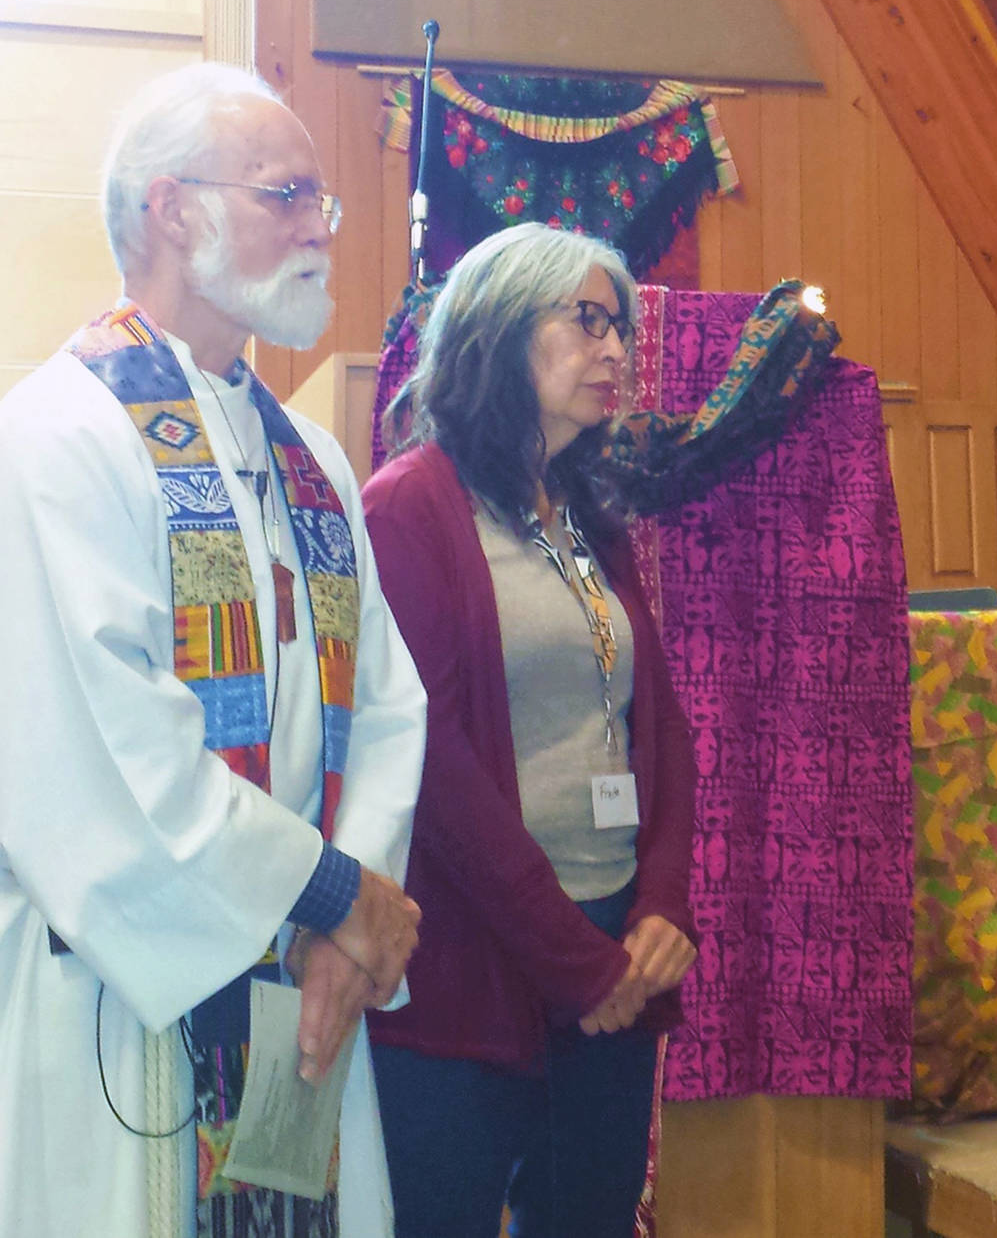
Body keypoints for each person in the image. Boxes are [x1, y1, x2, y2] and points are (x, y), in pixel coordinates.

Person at [0, 63, 427, 1236]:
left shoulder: (311, 462)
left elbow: (388, 707)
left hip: (303, 989)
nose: (320, 231)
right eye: (286, 195)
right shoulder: (59, 436)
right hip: (124, 1005)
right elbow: (104, 750)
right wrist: (335, 896)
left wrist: (343, 919)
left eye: (322, 204)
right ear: (170, 209)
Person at [363, 223, 699, 1237]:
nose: (615, 353)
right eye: (587, 321)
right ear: (501, 331)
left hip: (614, 948)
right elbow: (435, 768)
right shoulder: (408, 507)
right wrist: (575, 962)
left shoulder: (586, 514)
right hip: (475, 959)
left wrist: (661, 909)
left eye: (620, 329)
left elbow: (659, 727)